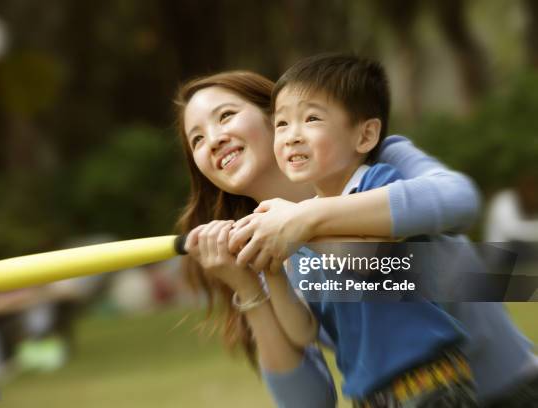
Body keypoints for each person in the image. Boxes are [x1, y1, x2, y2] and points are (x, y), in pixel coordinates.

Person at [174, 69, 538, 407]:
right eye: (197, 139)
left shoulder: (377, 160)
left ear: (276, 116)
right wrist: (250, 290)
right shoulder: (265, 252)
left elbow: (460, 200)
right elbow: (310, 401)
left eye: (225, 116)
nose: (214, 139)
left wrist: (306, 220)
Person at [239, 53, 476, 406]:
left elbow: (366, 259)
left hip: (428, 380)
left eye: (312, 119)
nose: (291, 136)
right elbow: (304, 331)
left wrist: (297, 228)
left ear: (365, 135)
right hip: (369, 396)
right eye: (282, 124)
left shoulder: (377, 185)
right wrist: (272, 269)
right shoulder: (297, 228)